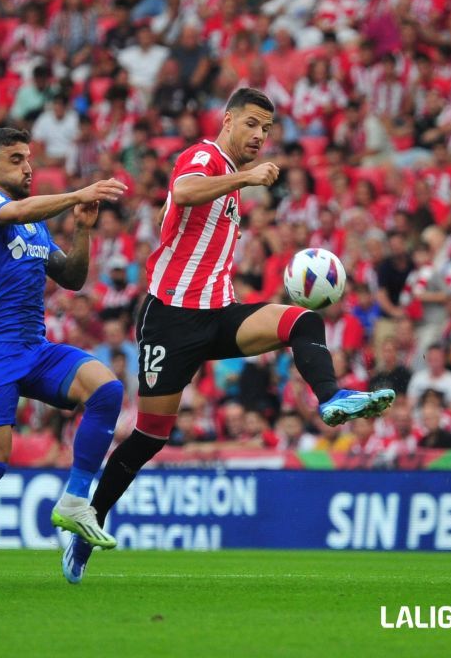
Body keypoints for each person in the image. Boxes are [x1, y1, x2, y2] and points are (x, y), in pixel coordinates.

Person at [60, 88, 396, 583]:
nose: (260, 136)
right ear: (228, 120)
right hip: (169, 320)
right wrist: (245, 178)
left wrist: (179, 215)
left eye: (267, 129)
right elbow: (184, 191)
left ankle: (331, 398)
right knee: (151, 435)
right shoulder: (205, 157)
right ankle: (90, 523)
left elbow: (172, 211)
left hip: (218, 314)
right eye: (253, 125)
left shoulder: (228, 182)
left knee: (301, 320)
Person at [0, 128, 127, 587]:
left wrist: (82, 229)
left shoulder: (35, 224)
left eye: (29, 158)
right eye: (17, 159)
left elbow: (71, 277)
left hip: (34, 346)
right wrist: (77, 191)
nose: (28, 167)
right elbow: (14, 210)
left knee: (107, 388)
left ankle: (75, 499)